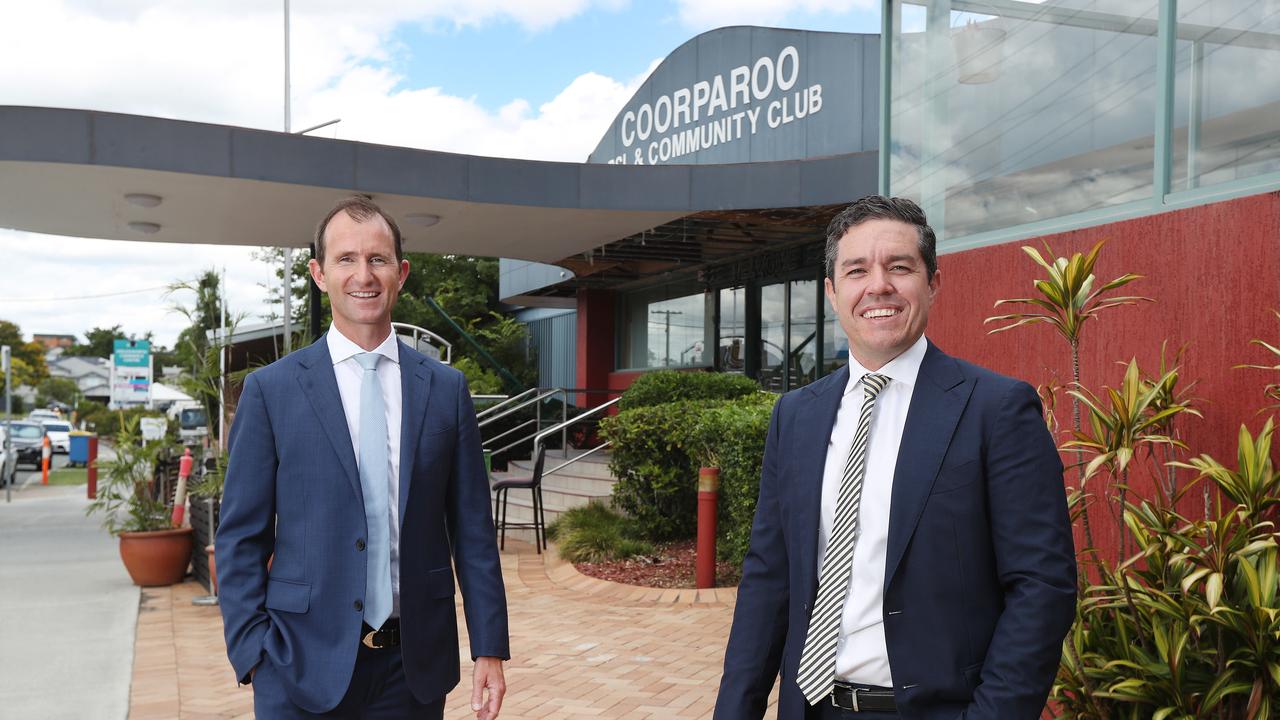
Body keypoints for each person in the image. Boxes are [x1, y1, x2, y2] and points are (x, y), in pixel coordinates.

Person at [713, 196, 1076, 720]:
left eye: (899, 267)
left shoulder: (996, 409)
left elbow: (1042, 587)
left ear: (932, 283)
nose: (877, 285)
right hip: (811, 707)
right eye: (856, 270)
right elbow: (769, 579)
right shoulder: (795, 416)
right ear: (833, 292)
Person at [217, 196, 509, 719]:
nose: (363, 275)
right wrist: (253, 652)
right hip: (297, 665)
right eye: (345, 259)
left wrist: (489, 645)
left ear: (401, 273)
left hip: (413, 671)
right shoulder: (272, 391)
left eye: (377, 259)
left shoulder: (445, 390)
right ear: (319, 274)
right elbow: (240, 537)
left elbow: (472, 532)